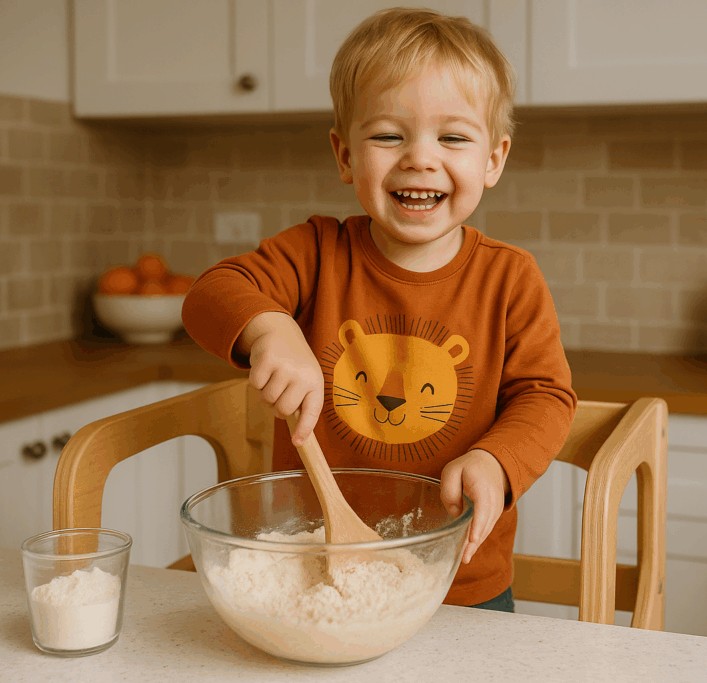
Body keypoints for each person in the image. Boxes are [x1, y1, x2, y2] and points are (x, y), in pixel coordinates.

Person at [181, 7, 577, 612]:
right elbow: (211, 293)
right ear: (344, 156)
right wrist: (271, 328)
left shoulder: (510, 278)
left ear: (492, 160)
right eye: (389, 135)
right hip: (315, 564)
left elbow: (546, 397)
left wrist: (497, 462)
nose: (419, 157)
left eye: (452, 137)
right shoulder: (315, 252)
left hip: (462, 582)